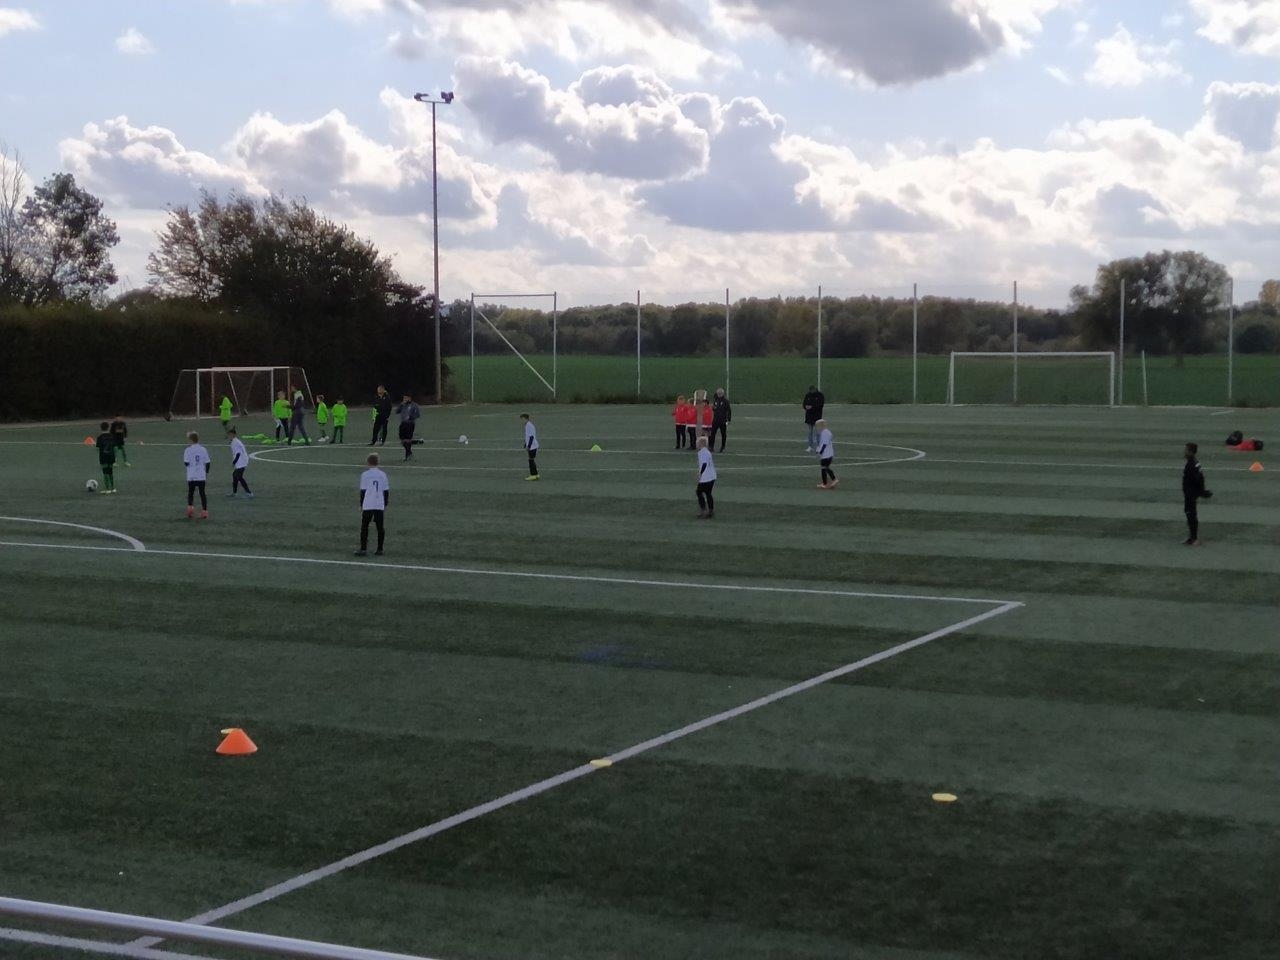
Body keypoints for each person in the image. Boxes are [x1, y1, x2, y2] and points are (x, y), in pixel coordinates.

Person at [355, 453, 390, 556]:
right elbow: (386, 491)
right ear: (377, 462)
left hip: (368, 503)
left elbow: (363, 491)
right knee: (380, 527)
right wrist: (385, 504)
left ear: (368, 462)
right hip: (379, 503)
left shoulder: (365, 475)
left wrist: (361, 504)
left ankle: (363, 548)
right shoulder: (383, 474)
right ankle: (380, 549)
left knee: (365, 526)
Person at [1182, 442, 1213, 546]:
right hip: (1190, 493)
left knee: (1191, 515)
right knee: (1190, 514)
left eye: (1186, 450)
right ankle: (1192, 537)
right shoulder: (1194, 462)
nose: (1184, 452)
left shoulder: (1191, 464)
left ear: (1190, 452)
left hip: (1191, 493)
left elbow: (1198, 479)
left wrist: (1200, 492)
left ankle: (1194, 538)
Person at [184, 431, 211, 519]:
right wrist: (206, 473)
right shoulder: (203, 449)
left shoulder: (188, 450)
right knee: (202, 493)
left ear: (191, 440)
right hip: (201, 475)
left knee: (191, 492)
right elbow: (208, 463)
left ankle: (190, 510)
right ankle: (204, 512)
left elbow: (186, 463)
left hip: (191, 475)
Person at [227, 428, 253, 498]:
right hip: (242, 460)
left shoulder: (235, 443)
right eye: (229, 435)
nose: (229, 436)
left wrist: (234, 462)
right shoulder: (235, 441)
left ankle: (249, 493)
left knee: (239, 477)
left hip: (241, 461)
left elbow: (238, 454)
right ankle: (234, 493)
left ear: (234, 435)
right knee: (235, 475)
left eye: (230, 435)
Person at [695, 435, 717, 519]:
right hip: (712, 476)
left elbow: (704, 464)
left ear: (701, 444)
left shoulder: (702, 452)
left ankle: (704, 510)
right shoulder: (707, 452)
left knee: (699, 492)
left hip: (706, 477)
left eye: (697, 442)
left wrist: (700, 473)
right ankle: (710, 511)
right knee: (708, 493)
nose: (696, 444)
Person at [94, 421, 117, 494]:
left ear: (101, 428)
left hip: (103, 456)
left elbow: (97, 449)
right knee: (110, 471)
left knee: (105, 472)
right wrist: (115, 457)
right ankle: (113, 488)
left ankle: (107, 489)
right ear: (108, 428)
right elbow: (115, 448)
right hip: (111, 456)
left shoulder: (100, 437)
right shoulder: (112, 436)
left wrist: (100, 454)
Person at [396, 393, 421, 461]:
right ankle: (410, 452)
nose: (404, 399)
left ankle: (407, 456)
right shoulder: (403, 405)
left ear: (409, 398)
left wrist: (410, 417)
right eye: (404, 398)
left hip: (410, 424)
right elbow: (397, 411)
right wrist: (401, 404)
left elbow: (417, 415)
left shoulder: (414, 405)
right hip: (403, 423)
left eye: (405, 398)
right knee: (402, 440)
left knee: (408, 439)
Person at [815, 418, 839, 489]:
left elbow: (824, 444)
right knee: (824, 468)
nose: (817, 427)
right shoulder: (826, 432)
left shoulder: (824, 433)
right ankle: (825, 483)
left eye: (817, 426)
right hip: (829, 453)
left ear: (821, 425)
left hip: (826, 454)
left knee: (824, 468)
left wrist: (820, 452)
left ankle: (833, 480)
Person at [803, 385, 825, 452]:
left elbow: (820, 405)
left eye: (812, 390)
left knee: (818, 432)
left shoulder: (820, 395)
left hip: (818, 416)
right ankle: (810, 446)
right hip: (809, 416)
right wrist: (805, 407)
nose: (811, 391)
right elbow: (804, 403)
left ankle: (819, 446)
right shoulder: (808, 395)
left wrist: (812, 407)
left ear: (815, 389)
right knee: (810, 432)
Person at [710, 387, 732, 452]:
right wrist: (714, 408)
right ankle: (711, 447)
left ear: (723, 394)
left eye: (720, 393)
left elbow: (729, 410)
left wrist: (728, 419)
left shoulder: (725, 401)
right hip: (715, 420)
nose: (719, 394)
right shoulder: (716, 400)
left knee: (723, 434)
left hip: (722, 420)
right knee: (712, 434)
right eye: (718, 393)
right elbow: (713, 408)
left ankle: (723, 447)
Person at [521, 413, 540, 480]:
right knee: (532, 460)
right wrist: (525, 444)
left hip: (533, 446)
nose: (522, 421)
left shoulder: (529, 426)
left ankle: (533, 475)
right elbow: (528, 436)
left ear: (526, 419)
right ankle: (536, 474)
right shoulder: (527, 425)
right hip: (532, 446)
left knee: (531, 460)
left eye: (522, 419)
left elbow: (531, 437)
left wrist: (528, 446)